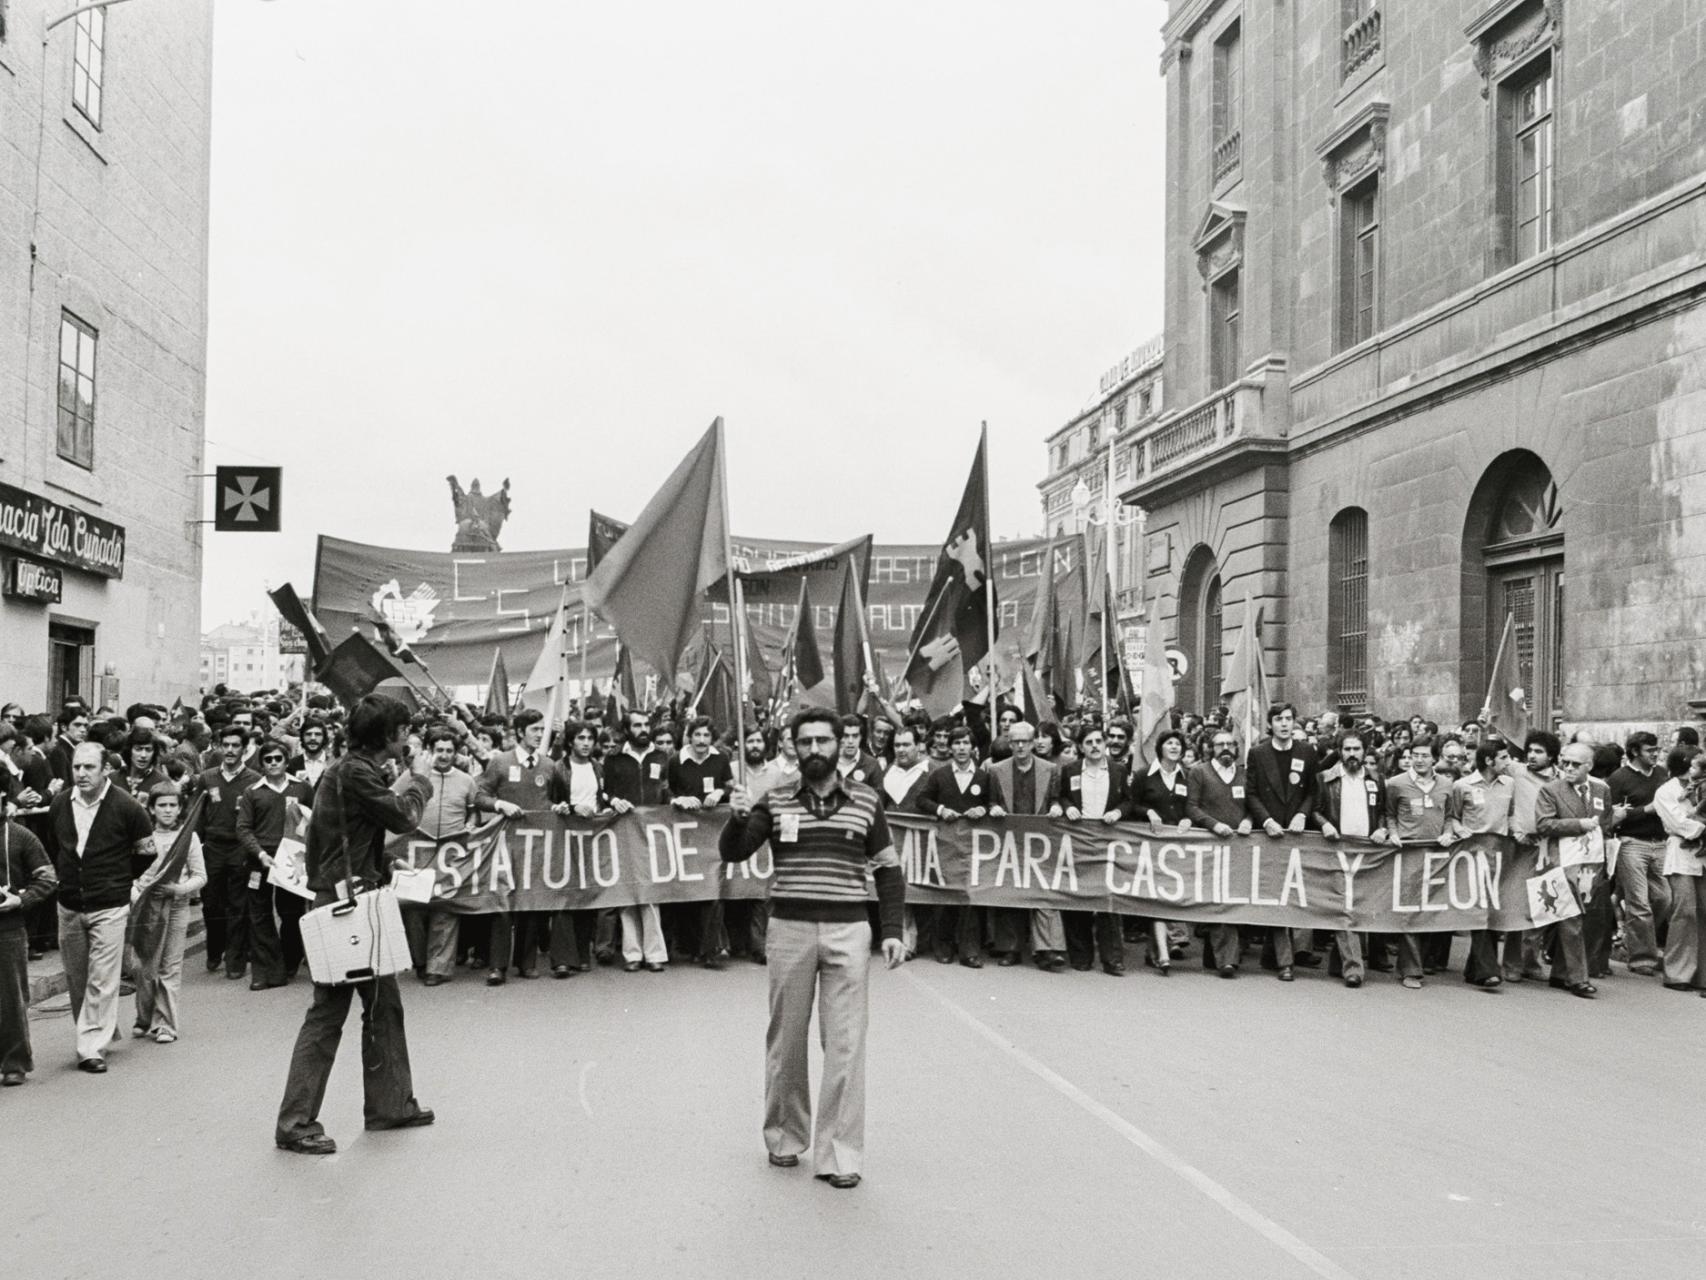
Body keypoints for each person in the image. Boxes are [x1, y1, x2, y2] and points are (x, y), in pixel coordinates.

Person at [720, 707, 905, 1189]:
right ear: (793, 746)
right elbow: (735, 851)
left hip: (849, 932)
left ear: (841, 742)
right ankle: (784, 1136)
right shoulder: (775, 799)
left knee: (845, 1044)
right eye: (806, 742)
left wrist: (890, 929)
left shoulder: (867, 801)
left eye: (824, 741)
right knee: (787, 1039)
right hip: (789, 931)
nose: (816, 750)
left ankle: (840, 1154)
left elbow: (887, 868)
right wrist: (736, 817)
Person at [275, 694, 436, 1156]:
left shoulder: (347, 770)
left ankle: (391, 1105)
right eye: (402, 730)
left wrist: (382, 863)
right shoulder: (355, 772)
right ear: (387, 735)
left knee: (383, 1005)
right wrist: (420, 776)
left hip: (349, 898)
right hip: (345, 905)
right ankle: (295, 1122)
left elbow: (341, 838)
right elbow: (405, 815)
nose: (407, 738)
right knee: (328, 1013)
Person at [49, 742, 155, 1072]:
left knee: (102, 979)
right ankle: (99, 1031)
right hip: (69, 905)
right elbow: (58, 847)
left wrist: (119, 881)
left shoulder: (127, 807)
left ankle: (91, 1047)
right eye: (77, 767)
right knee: (78, 977)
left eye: (89, 767)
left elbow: (147, 852)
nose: (81, 773)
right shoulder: (60, 803)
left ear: (105, 769)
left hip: (109, 906)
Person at [476, 708, 573, 984]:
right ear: (520, 732)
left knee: (531, 903)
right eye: (534, 730)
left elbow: (555, 801)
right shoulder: (500, 763)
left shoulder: (549, 766)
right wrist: (500, 804)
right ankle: (497, 966)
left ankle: (526, 962)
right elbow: (479, 795)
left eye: (542, 730)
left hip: (538, 844)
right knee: (504, 903)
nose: (540, 734)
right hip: (507, 844)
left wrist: (560, 807)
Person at [1534, 742, 1625, 999]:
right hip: (1562, 859)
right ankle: (1578, 978)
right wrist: (1578, 824)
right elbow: (1543, 824)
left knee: (1580, 917)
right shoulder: (1550, 790)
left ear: (1589, 766)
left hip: (1592, 860)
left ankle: (1560, 973)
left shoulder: (1601, 789)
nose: (1569, 768)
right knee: (1570, 917)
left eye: (1576, 764)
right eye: (1566, 763)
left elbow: (1605, 822)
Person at [1245, 703, 1321, 979]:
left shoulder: (1307, 751)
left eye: (1289, 719)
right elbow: (1251, 793)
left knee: (1294, 894)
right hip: (1271, 834)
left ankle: (1272, 954)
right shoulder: (1258, 753)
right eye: (1279, 719)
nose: (1285, 724)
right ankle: (1285, 962)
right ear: (1271, 724)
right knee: (1277, 895)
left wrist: (1303, 814)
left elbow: (1313, 790)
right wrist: (1266, 821)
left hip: (1298, 833)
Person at [914, 726, 997, 968]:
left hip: (974, 847)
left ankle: (969, 951)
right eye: (957, 743)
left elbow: (993, 802)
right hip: (946, 845)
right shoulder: (939, 775)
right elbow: (922, 800)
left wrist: (984, 809)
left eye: (966, 743)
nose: (961, 748)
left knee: (970, 898)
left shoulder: (984, 777)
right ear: (950, 747)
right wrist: (941, 810)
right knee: (946, 897)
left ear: (973, 748)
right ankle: (943, 946)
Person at [1051, 723, 1131, 976]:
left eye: (1098, 741)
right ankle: (1081, 955)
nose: (1095, 746)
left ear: (1105, 743)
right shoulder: (1070, 770)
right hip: (1079, 841)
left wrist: (1118, 811)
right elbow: (1061, 796)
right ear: (1081, 747)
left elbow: (1129, 800)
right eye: (1089, 742)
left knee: (1108, 901)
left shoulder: (1118, 771)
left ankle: (1112, 959)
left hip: (1108, 841)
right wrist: (1066, 806)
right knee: (1079, 898)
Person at [987, 721, 1067, 971]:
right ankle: (1010, 949)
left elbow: (1056, 799)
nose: (1020, 746)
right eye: (1015, 742)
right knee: (1010, 892)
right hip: (1008, 840)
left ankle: (1046, 949)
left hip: (1040, 842)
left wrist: (1056, 807)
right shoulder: (996, 770)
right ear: (1009, 743)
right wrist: (994, 808)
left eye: (1025, 741)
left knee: (1043, 892)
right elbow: (990, 802)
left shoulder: (1051, 769)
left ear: (1033, 743)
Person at [1312, 730, 1390, 988]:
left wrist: (1381, 828)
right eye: (1347, 750)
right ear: (1340, 752)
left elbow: (1382, 812)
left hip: (1366, 852)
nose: (1352, 754)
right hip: (1337, 850)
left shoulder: (1376, 779)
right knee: (1345, 907)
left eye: (1357, 749)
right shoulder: (1325, 778)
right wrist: (1324, 824)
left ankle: (1339, 962)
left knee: (1357, 907)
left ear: (1365, 752)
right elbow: (1315, 810)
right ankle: (1353, 968)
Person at [236, 741, 315, 991]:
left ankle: (289, 961)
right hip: (260, 860)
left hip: (291, 860)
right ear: (261, 763)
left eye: (277, 758)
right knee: (259, 916)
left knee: (291, 912)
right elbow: (243, 828)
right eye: (267, 759)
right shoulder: (252, 791)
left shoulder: (302, 788)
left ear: (286, 760)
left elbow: (314, 820)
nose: (273, 763)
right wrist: (259, 854)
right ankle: (264, 971)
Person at [131, 783, 206, 1044]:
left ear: (180, 809)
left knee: (170, 966)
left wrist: (179, 889)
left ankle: (165, 1025)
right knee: (144, 967)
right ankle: (144, 1016)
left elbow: (200, 876)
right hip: (144, 909)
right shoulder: (143, 838)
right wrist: (135, 893)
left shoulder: (189, 838)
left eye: (173, 805)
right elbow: (129, 874)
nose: (167, 810)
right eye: (162, 805)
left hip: (176, 908)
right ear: (151, 808)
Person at [1445, 740, 1517, 989]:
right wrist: (1460, 829)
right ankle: (1488, 970)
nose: (1508, 763)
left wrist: (1518, 832)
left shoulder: (1509, 784)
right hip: (1471, 854)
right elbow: (1452, 817)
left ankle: (1473, 969)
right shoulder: (1462, 786)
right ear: (1489, 761)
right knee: (1479, 909)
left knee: (1492, 910)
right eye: (1504, 758)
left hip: (1499, 854)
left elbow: (1511, 815)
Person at [603, 711, 671, 973]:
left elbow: (668, 790)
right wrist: (613, 800)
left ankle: (655, 953)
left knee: (650, 892)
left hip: (653, 831)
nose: (643, 729)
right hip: (625, 828)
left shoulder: (662, 757)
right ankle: (632, 953)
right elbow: (605, 791)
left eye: (646, 725)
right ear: (627, 729)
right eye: (637, 725)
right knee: (627, 891)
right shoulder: (614, 758)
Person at [1185, 728, 1254, 977]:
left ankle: (1220, 955)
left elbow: (1252, 804)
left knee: (1235, 899)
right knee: (1218, 900)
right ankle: (1227, 960)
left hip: (1239, 847)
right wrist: (1213, 825)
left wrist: (1248, 820)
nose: (1226, 748)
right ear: (1210, 749)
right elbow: (1192, 807)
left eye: (1230, 744)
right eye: (1219, 744)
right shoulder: (1199, 772)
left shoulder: (1244, 774)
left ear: (1236, 749)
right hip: (1211, 845)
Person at [669, 716, 736, 968]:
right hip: (684, 833)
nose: (701, 741)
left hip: (712, 833)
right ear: (689, 736)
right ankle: (691, 946)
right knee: (689, 891)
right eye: (697, 735)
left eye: (706, 736)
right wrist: (678, 800)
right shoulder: (676, 760)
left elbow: (730, 786)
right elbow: (667, 789)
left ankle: (711, 951)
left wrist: (721, 792)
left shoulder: (720, 759)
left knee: (712, 889)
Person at [195, 725, 261, 980]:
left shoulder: (254, 780)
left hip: (240, 848)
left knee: (238, 904)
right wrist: (195, 848)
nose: (231, 750)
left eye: (236, 746)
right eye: (227, 745)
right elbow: (197, 815)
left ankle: (235, 960)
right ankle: (214, 950)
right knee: (212, 904)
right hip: (212, 848)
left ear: (244, 749)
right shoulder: (207, 777)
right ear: (220, 747)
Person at [0, 801, 56, 1085]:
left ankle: (15, 1063)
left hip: (8, 929)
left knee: (10, 999)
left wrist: (21, 900)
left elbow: (48, 879)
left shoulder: (21, 836)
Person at [1607, 730, 1671, 977]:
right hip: (1632, 842)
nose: (1655, 755)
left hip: (1660, 842)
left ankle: (1634, 940)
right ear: (1634, 751)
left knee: (1665, 898)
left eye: (1657, 750)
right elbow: (1612, 816)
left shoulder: (1662, 774)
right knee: (1639, 901)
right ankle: (1642, 957)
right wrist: (1646, 810)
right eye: (1649, 750)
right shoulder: (1619, 778)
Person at [1654, 747, 1706, 992]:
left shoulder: (1702, 786)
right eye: (1694, 763)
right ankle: (1678, 972)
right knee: (1685, 912)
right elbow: (1678, 822)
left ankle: (1702, 975)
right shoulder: (1667, 791)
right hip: (1682, 852)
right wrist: (1701, 829)